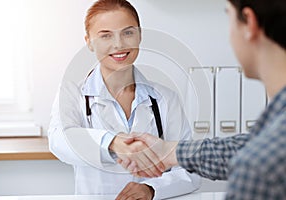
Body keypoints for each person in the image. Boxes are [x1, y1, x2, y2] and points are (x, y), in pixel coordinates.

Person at [119, 0, 286, 199]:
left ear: (249, 23)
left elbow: (255, 154)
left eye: (228, 17)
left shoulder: (257, 171)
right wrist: (169, 152)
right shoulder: (271, 140)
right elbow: (249, 146)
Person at [48, 0, 201, 199]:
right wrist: (112, 142)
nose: (119, 44)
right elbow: (59, 140)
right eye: (105, 35)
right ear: (89, 42)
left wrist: (150, 188)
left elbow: (189, 168)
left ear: (139, 35)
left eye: (128, 32)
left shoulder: (165, 99)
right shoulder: (73, 92)